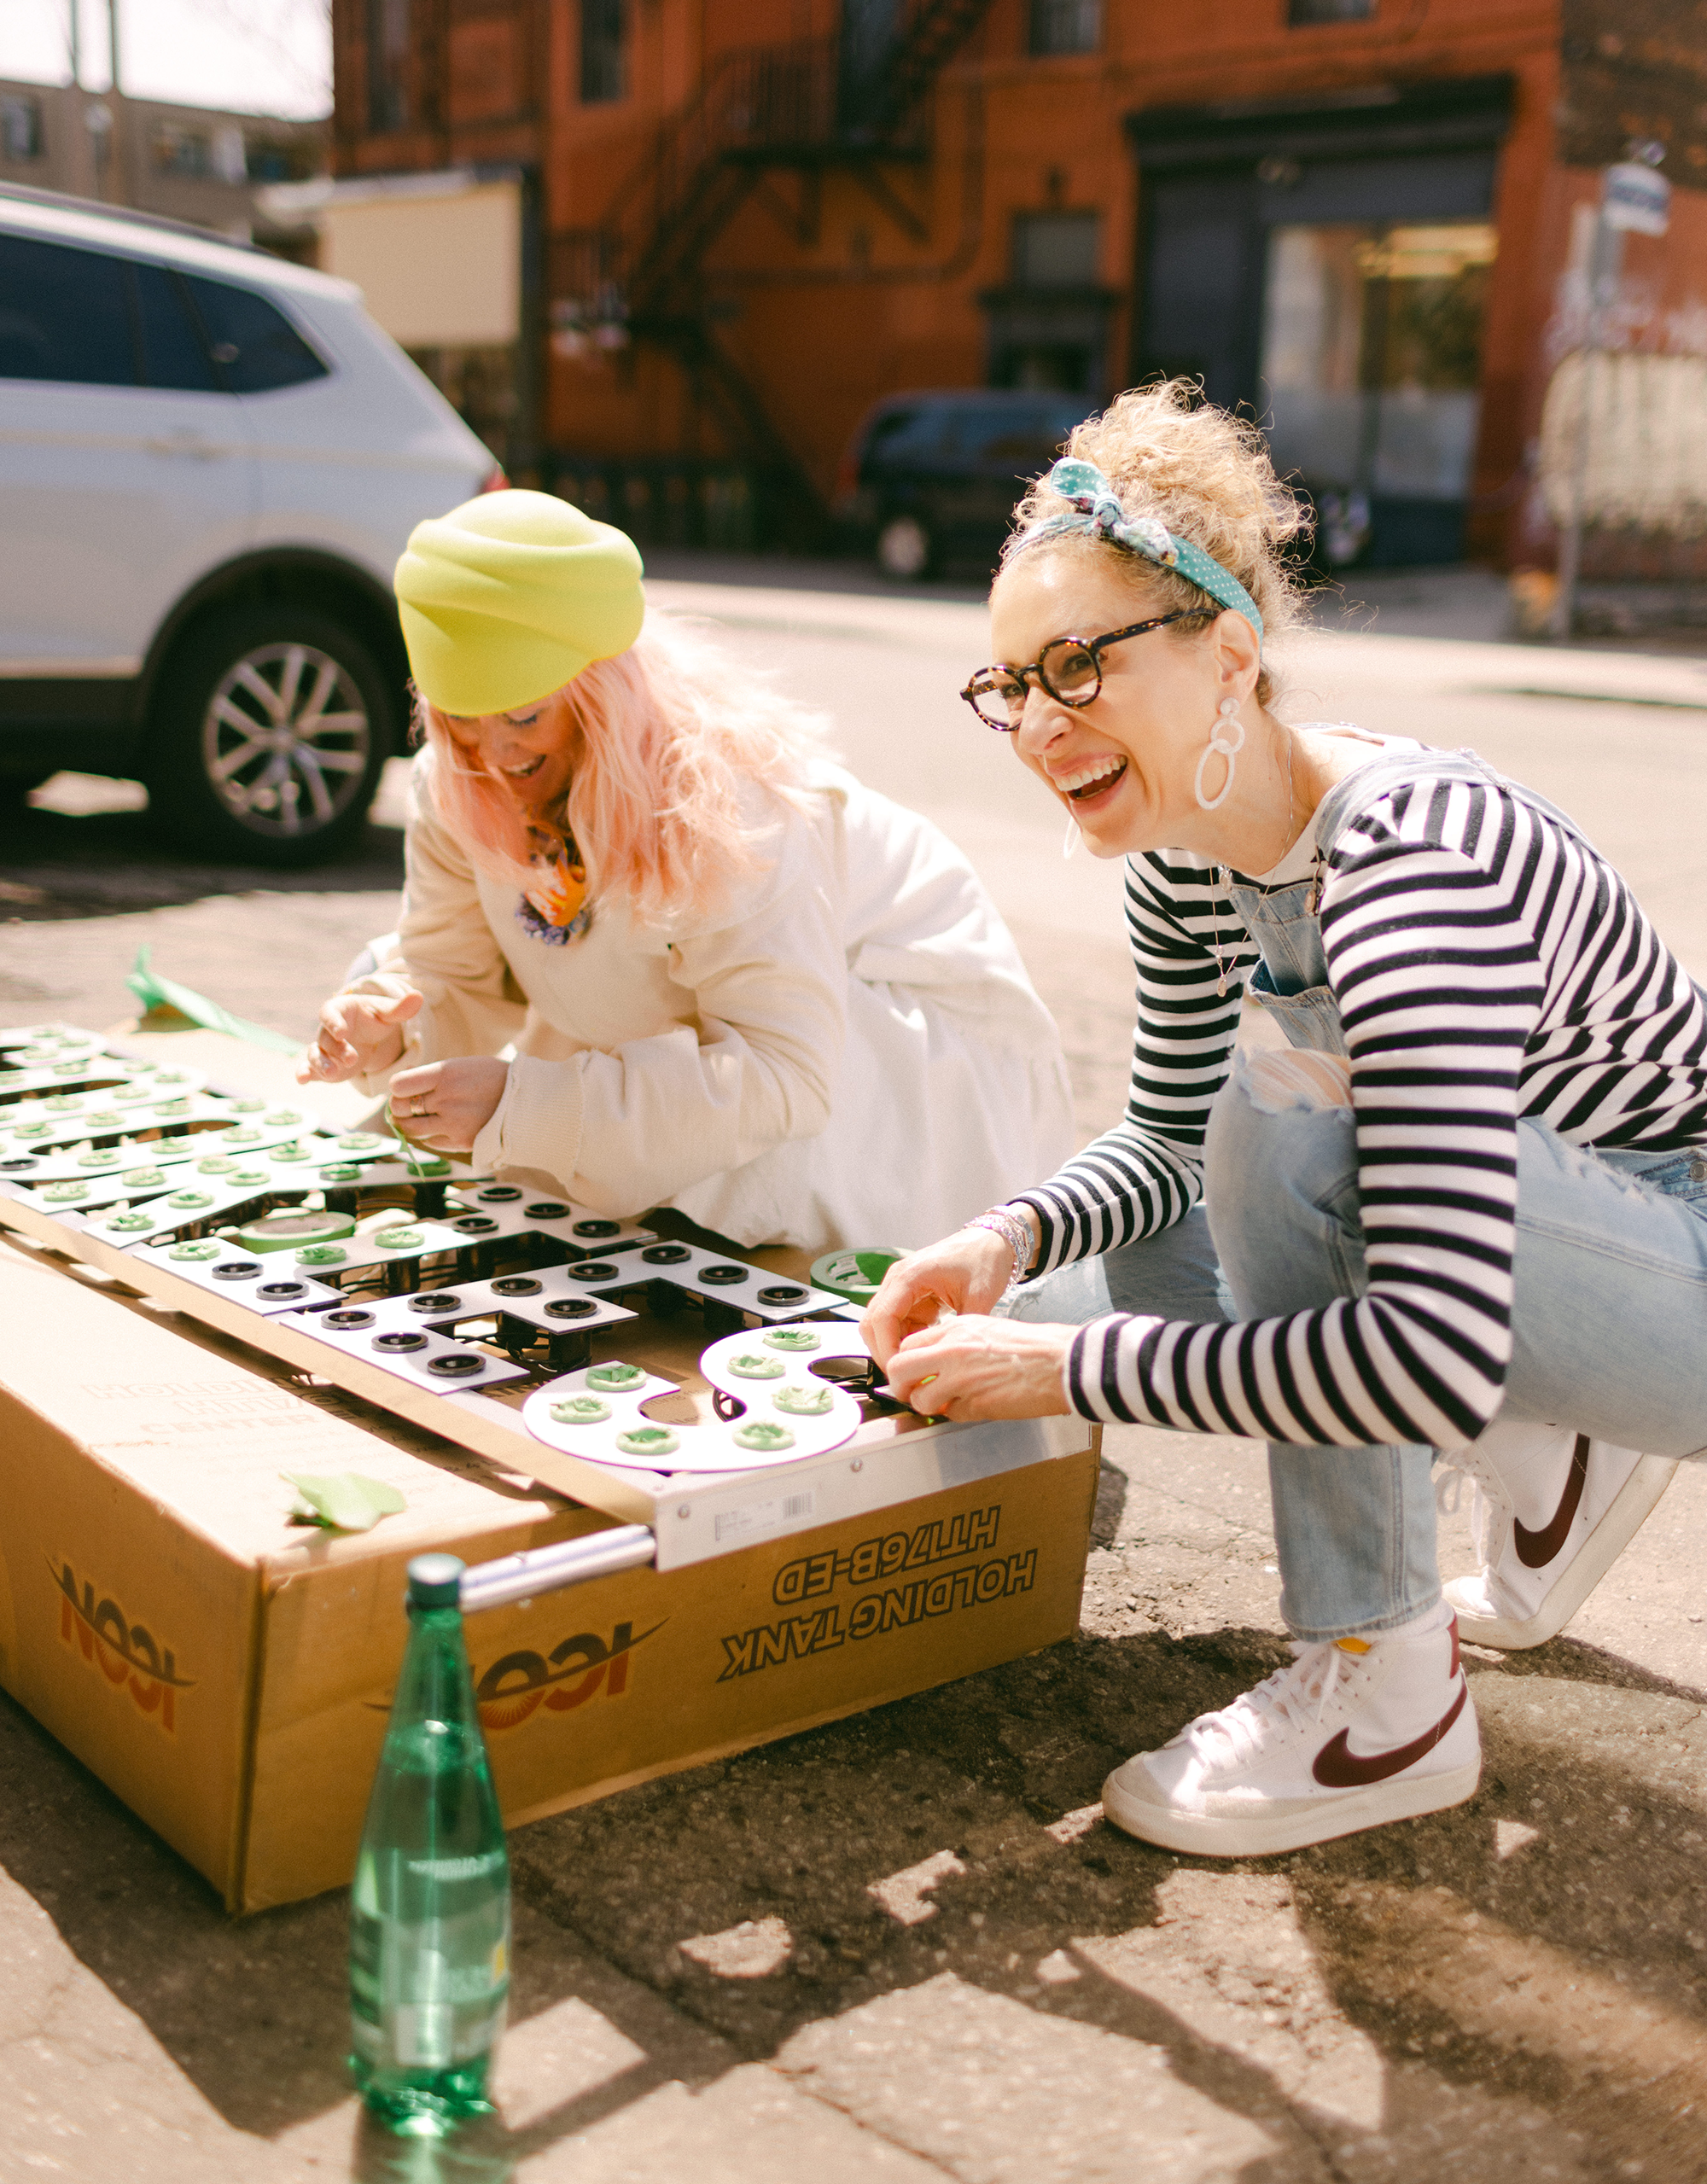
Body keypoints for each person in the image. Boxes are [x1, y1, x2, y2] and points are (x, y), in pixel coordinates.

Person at [861, 381, 1707, 1861]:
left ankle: (1386, 1698)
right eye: (1010, 684)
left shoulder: (1411, 867)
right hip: (1548, 1247)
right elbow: (1166, 1148)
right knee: (1099, 1262)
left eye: (1077, 664)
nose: (1040, 724)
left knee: (1289, 1136)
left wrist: (1059, 1368)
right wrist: (1006, 1239)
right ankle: (1554, 1464)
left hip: (1676, 1255)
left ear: (1231, 657)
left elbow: (1431, 1348)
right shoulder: (1192, 860)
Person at [298, 490, 1073, 1251]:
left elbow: (786, 1076)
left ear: (597, 693)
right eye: (461, 719)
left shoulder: (728, 803)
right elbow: (459, 979)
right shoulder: (457, 775)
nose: (495, 756)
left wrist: (533, 1104)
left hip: (892, 1051)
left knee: (746, 1225)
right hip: (705, 1034)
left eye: (525, 715)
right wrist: (389, 1032)